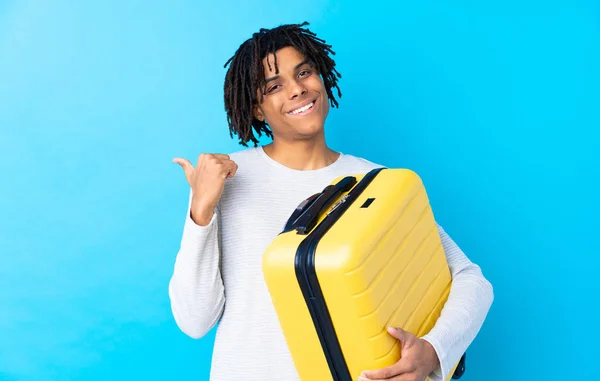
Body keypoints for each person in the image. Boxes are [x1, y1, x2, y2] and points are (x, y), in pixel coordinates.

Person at [169, 22, 494, 381]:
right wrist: (201, 210)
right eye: (274, 86)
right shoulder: (226, 179)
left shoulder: (376, 184)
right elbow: (195, 321)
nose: (297, 90)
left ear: (321, 78)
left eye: (304, 72)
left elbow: (471, 280)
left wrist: (434, 352)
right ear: (258, 109)